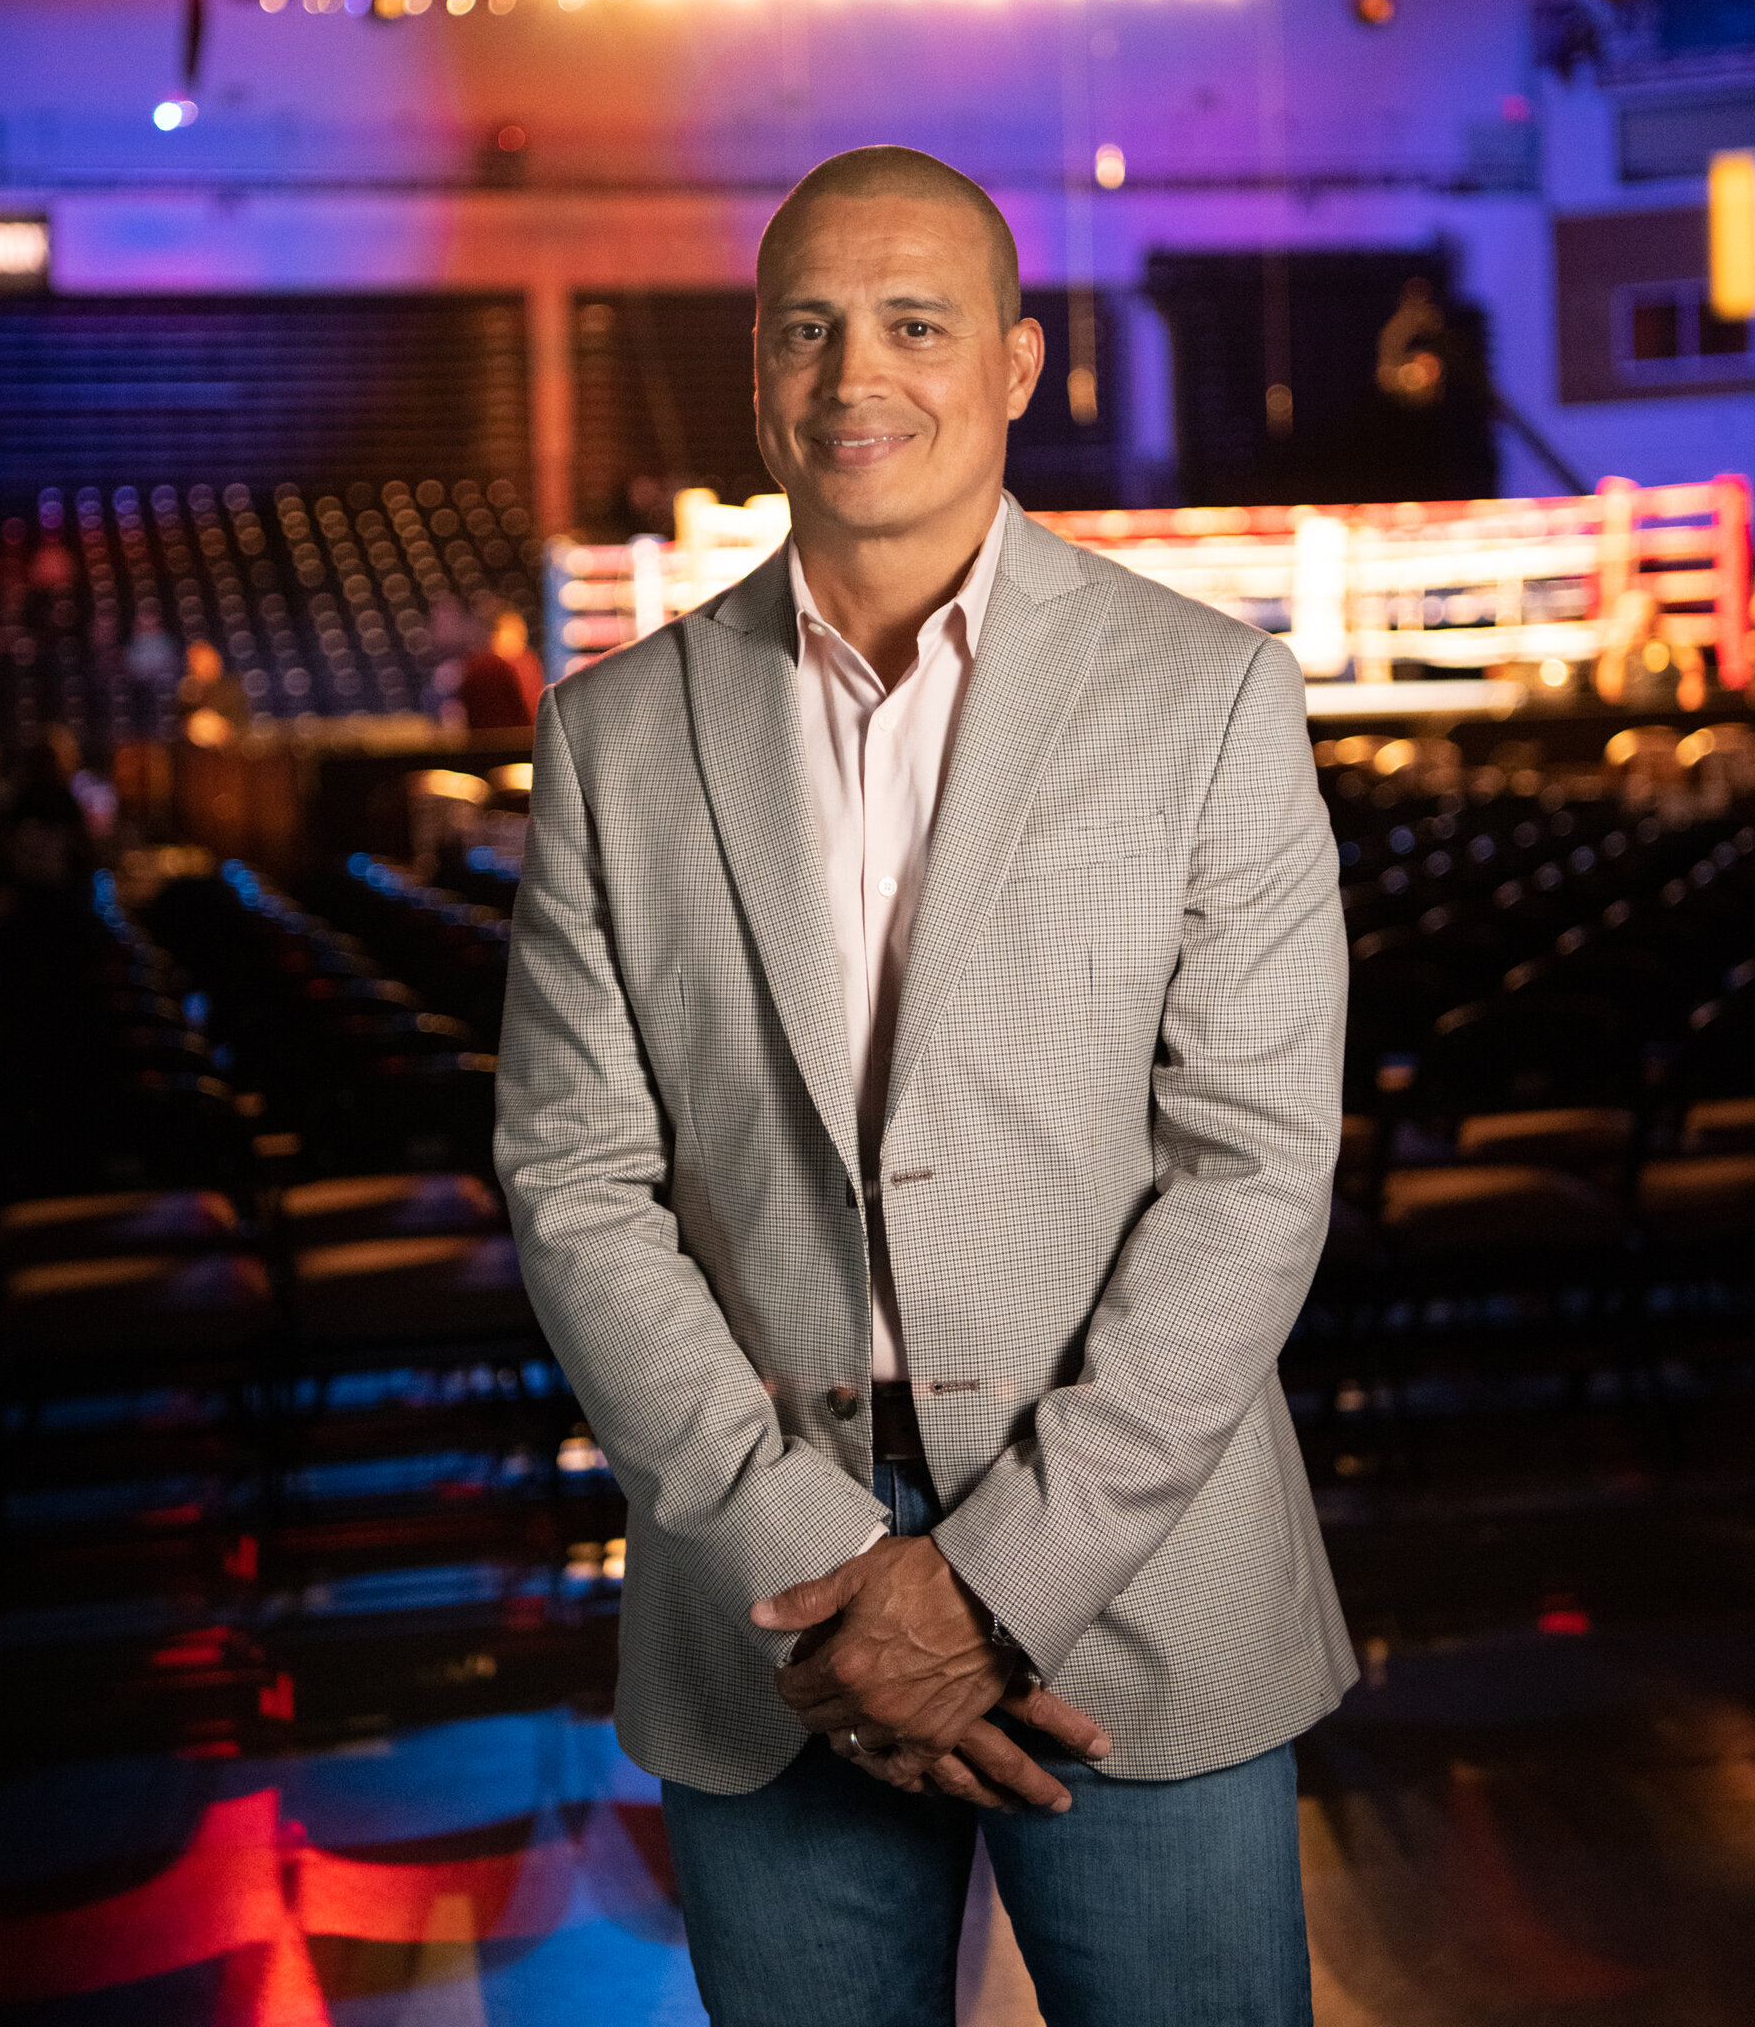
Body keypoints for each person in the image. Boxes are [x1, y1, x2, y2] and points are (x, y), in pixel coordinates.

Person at [496, 146, 1354, 2027]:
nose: (852, 373)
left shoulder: (1207, 696)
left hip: (1143, 1566)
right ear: (756, 370)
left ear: (1024, 364)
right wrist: (827, 1566)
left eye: (912, 322)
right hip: (765, 1592)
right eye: (806, 328)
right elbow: (572, 1176)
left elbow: (1257, 1169)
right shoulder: (615, 736)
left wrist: (990, 1585)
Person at [457, 605, 543, 731]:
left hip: (507, 741)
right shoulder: (483, 667)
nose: (519, 640)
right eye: (513, 632)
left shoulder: (527, 662)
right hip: (508, 740)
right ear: (495, 635)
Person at [174, 638, 249, 747]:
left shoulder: (233, 689)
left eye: (206, 660)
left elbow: (242, 725)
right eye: (196, 661)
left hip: (228, 752)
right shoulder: (186, 693)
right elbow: (180, 728)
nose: (203, 666)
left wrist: (222, 729)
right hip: (196, 754)